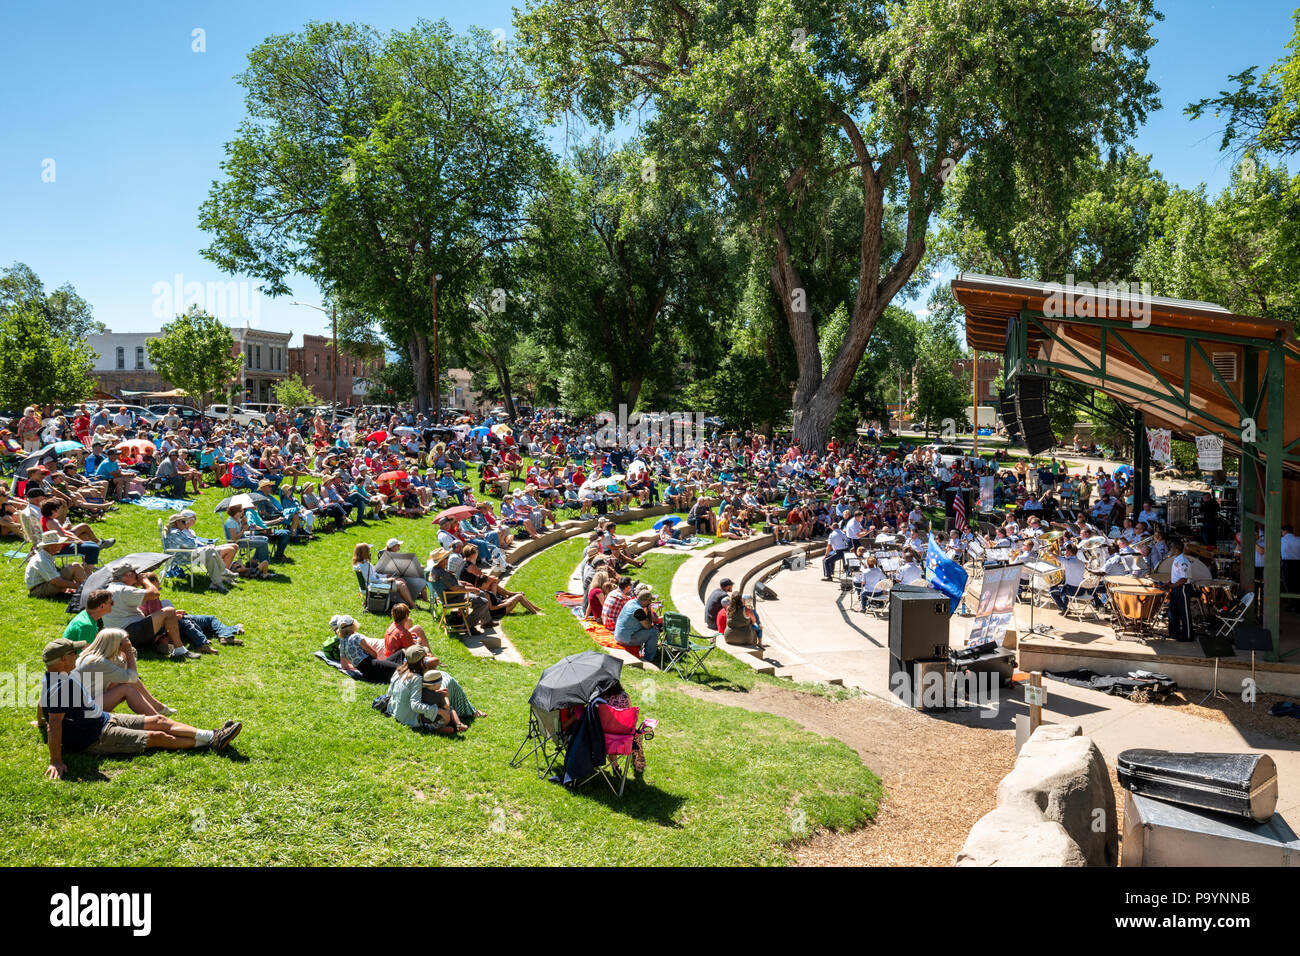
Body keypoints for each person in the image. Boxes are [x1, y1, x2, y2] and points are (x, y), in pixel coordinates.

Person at [39, 637, 242, 779]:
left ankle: (214, 735)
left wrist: (40, 720)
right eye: (73, 652)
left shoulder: (58, 675)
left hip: (103, 718)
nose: (77, 654)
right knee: (157, 737)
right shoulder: (59, 686)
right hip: (94, 737)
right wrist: (56, 761)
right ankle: (212, 742)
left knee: (159, 721)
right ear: (62, 660)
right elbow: (54, 725)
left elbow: (42, 706)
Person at [75, 627, 175, 716]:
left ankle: (157, 707)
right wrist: (128, 652)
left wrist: (124, 655)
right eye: (125, 640)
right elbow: (132, 676)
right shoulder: (99, 662)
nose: (128, 642)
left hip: (85, 704)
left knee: (126, 682)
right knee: (126, 689)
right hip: (84, 710)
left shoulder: (94, 657)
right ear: (116, 644)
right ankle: (158, 719)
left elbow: (128, 674)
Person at [102, 563, 193, 660]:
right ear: (127, 575)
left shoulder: (111, 588)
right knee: (169, 611)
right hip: (130, 633)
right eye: (134, 573)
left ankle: (164, 643)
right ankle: (180, 650)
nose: (138, 575)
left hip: (120, 635)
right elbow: (154, 593)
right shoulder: (124, 590)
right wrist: (145, 580)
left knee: (168, 616)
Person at [384, 645, 465, 734]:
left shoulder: (399, 670)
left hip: (396, 712)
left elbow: (390, 693)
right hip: (408, 718)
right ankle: (438, 728)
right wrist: (439, 711)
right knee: (445, 710)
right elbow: (415, 705)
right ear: (421, 660)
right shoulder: (416, 678)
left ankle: (452, 725)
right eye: (424, 657)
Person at [331, 614, 405, 682]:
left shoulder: (342, 644)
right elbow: (371, 652)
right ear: (352, 626)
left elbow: (345, 666)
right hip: (375, 668)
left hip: (367, 675)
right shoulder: (356, 637)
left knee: (400, 653)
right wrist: (377, 660)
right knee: (404, 669)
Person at [26, 532, 91, 599]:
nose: (62, 545)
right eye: (59, 543)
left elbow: (54, 577)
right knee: (75, 566)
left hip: (43, 585)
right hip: (38, 590)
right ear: (51, 546)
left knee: (75, 566)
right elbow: (56, 581)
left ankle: (87, 591)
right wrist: (78, 586)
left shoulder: (46, 555)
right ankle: (88, 590)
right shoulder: (42, 560)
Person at [613, 587, 661, 662]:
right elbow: (648, 626)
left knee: (649, 629)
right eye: (650, 601)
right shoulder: (638, 610)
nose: (650, 603)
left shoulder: (631, 602)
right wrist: (648, 610)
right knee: (654, 632)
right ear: (645, 601)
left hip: (619, 635)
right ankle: (648, 658)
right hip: (625, 639)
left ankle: (649, 651)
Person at [1166, 538, 1193, 642]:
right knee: (1173, 611)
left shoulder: (1183, 561)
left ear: (1176, 549)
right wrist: (1169, 583)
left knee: (1184, 613)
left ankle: (1187, 636)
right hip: (1176, 588)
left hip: (1182, 588)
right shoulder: (1176, 559)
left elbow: (1183, 578)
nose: (1170, 549)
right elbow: (1177, 576)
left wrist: (1172, 586)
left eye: (1171, 547)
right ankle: (1174, 633)